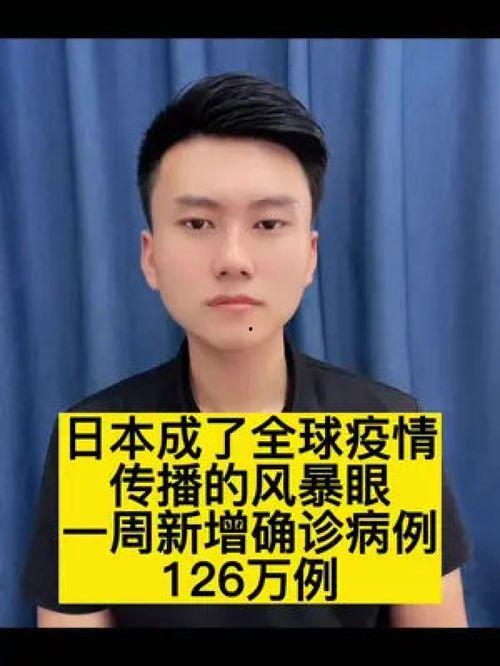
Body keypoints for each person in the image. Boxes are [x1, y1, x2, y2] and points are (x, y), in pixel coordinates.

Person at [22, 72, 470, 628]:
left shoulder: (383, 429)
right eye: (197, 222)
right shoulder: (96, 443)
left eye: (268, 223)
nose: (233, 259)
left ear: (310, 256)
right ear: (151, 257)